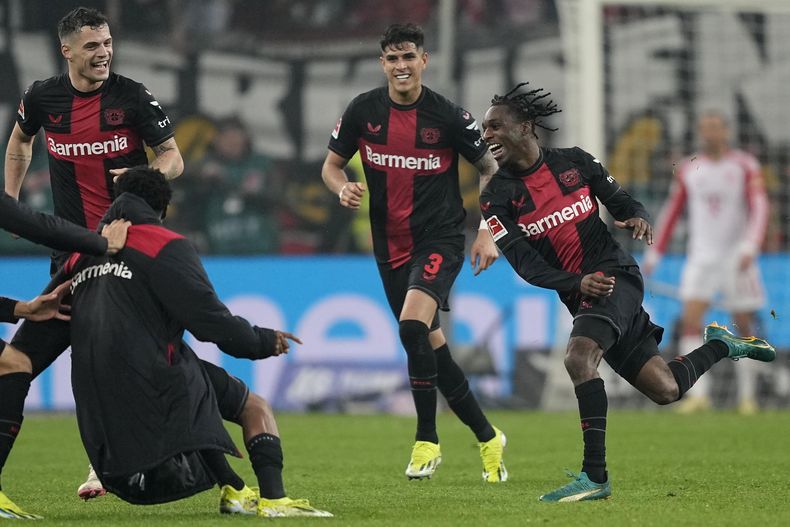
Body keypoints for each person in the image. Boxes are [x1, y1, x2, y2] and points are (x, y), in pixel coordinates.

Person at [0, 6, 277, 517]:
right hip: (71, 263)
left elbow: (174, 156)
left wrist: (145, 173)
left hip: (129, 252)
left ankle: (224, 480)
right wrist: (10, 202)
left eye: (107, 43)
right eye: (91, 45)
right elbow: (20, 140)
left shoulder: (131, 96)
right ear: (67, 51)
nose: (103, 52)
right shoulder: (43, 98)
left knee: (161, 363)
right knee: (17, 362)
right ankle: (230, 483)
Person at [478, 82, 776, 502]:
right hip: (583, 292)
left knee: (579, 357)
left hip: (615, 275)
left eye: (494, 126)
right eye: (484, 128)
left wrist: (637, 216)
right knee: (666, 389)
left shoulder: (576, 162)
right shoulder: (495, 197)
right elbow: (527, 266)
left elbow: (623, 202)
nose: (486, 135)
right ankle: (722, 345)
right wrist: (575, 283)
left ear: (526, 127)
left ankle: (594, 477)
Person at [46, 167, 330, 517]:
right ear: (161, 208)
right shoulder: (164, 245)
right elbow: (210, 321)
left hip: (93, 397)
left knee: (191, 392)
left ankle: (235, 490)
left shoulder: (81, 254)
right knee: (251, 406)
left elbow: (45, 321)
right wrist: (261, 341)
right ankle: (275, 501)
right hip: (151, 374)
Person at [321, 23, 506, 482]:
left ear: (424, 60)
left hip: (440, 238)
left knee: (409, 327)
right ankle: (488, 437)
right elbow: (330, 165)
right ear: (382, 63)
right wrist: (341, 187)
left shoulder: (449, 117)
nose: (401, 66)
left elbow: (491, 169)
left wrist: (488, 232)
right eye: (392, 58)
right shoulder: (364, 111)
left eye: (409, 57)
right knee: (431, 349)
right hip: (390, 245)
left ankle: (426, 439)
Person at [643, 111, 769, 414]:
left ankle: (747, 397)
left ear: (726, 130)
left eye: (716, 127)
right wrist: (655, 252)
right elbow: (673, 210)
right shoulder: (688, 169)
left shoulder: (744, 165)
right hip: (700, 257)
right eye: (705, 128)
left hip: (735, 257)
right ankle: (699, 395)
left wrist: (751, 246)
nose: (710, 133)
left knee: (744, 323)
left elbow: (761, 206)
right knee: (690, 321)